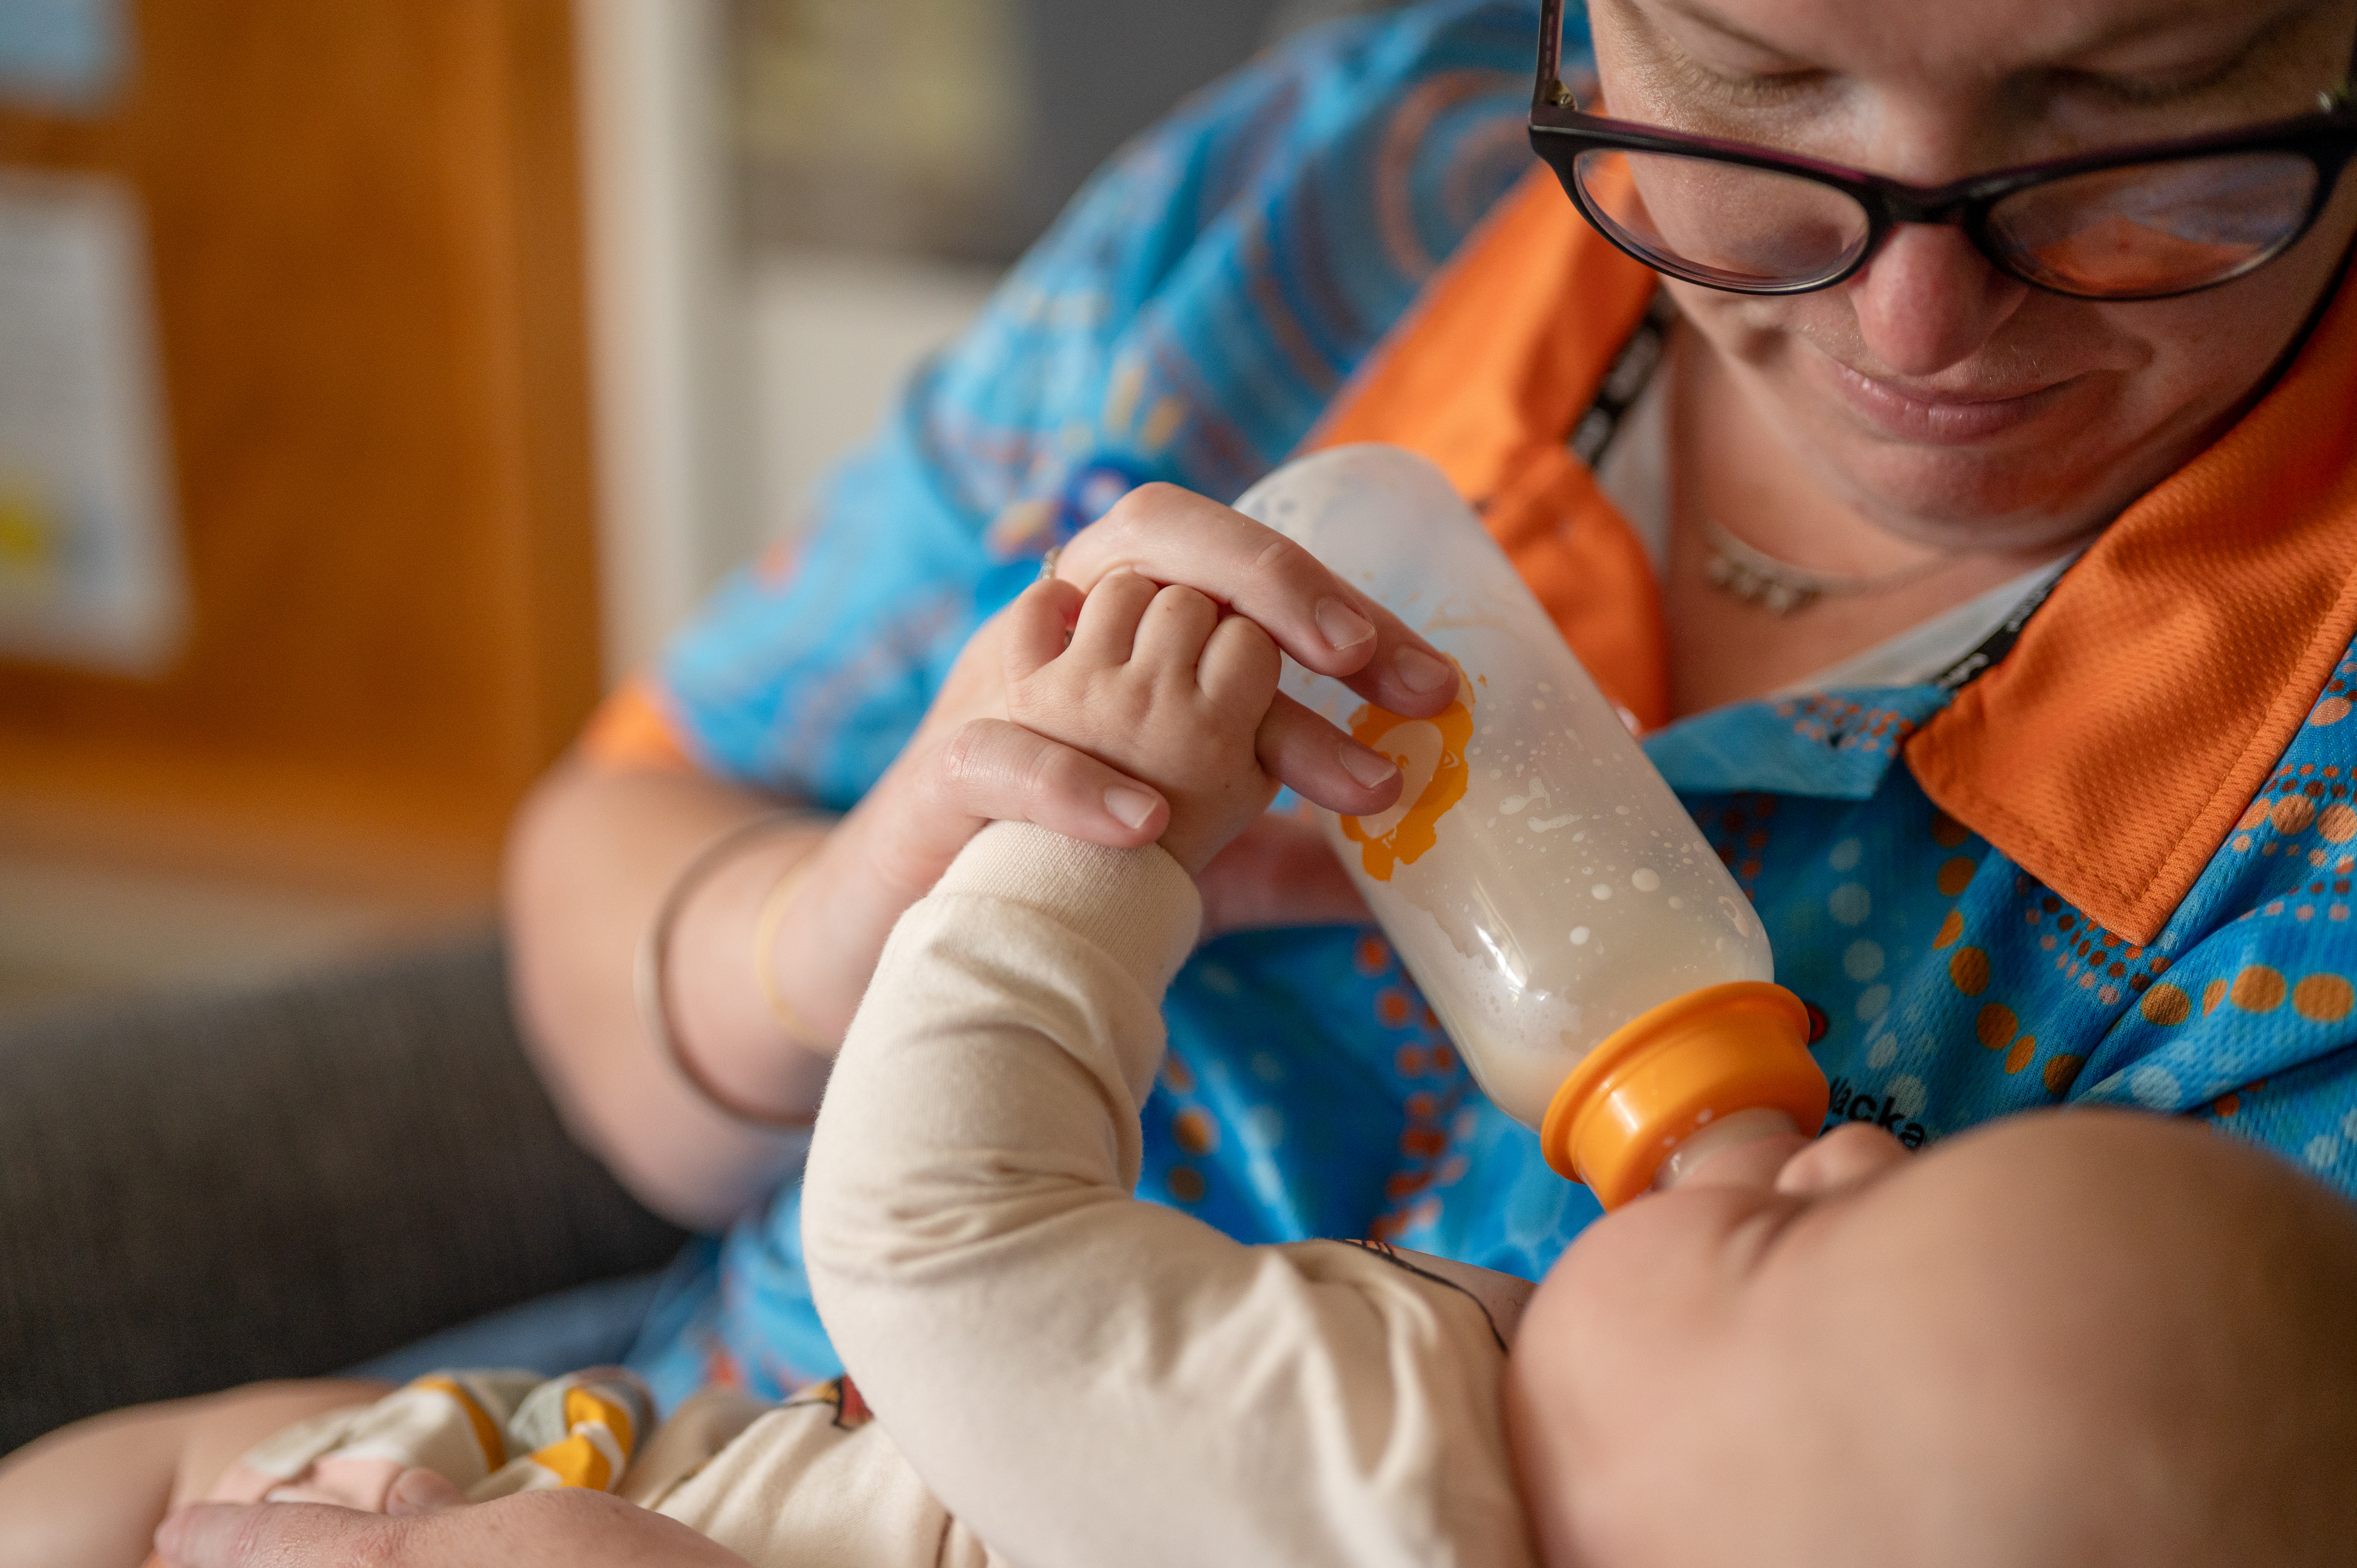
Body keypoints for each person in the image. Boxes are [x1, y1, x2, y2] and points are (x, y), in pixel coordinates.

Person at [14, 0, 2357, 1557]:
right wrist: (843, 908)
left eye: (2137, 102)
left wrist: (1046, 881)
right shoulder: (1352, 198)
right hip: (630, 1421)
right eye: (1750, 84)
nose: (1911, 320)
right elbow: (606, 882)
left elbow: (943, 1247)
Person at [21, 569, 2357, 1568]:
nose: (1853, 1149)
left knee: (120, 1492)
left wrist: (1083, 845)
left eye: (1831, 1247)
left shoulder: (1371, 1479)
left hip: (667, 1494)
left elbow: (931, 1245)